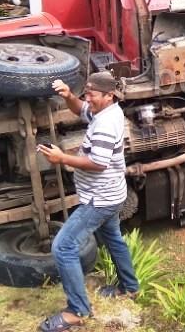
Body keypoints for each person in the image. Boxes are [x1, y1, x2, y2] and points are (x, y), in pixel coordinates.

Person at [37, 72, 139, 331]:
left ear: (109, 95)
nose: (87, 99)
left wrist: (62, 159)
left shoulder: (106, 123)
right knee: (114, 239)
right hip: (113, 194)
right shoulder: (105, 110)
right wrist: (70, 96)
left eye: (91, 95)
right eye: (86, 93)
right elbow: (81, 109)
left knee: (63, 247)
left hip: (100, 199)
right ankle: (129, 288)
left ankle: (77, 311)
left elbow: (99, 163)